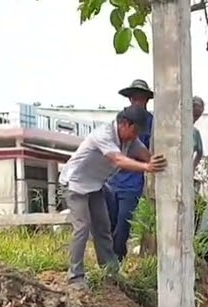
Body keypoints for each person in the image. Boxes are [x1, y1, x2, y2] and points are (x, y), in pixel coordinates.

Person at [59, 106, 163, 288]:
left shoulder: (131, 140)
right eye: (135, 131)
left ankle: (110, 271)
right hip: (75, 184)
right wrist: (147, 168)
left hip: (95, 186)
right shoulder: (104, 135)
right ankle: (75, 276)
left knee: (103, 227)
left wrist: (156, 162)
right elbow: (118, 160)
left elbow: (146, 156)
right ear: (124, 124)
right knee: (82, 227)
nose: (136, 136)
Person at [105, 79, 154, 261]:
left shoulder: (152, 122)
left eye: (141, 99)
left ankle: (118, 259)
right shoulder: (122, 119)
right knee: (109, 222)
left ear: (146, 101)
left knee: (124, 223)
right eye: (134, 98)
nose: (137, 102)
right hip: (113, 179)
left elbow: (149, 151)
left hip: (133, 181)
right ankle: (108, 260)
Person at [192, 96, 205, 171]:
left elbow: (200, 153)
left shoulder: (195, 133)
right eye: (194, 115)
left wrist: (192, 166)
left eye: (198, 116)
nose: (195, 119)